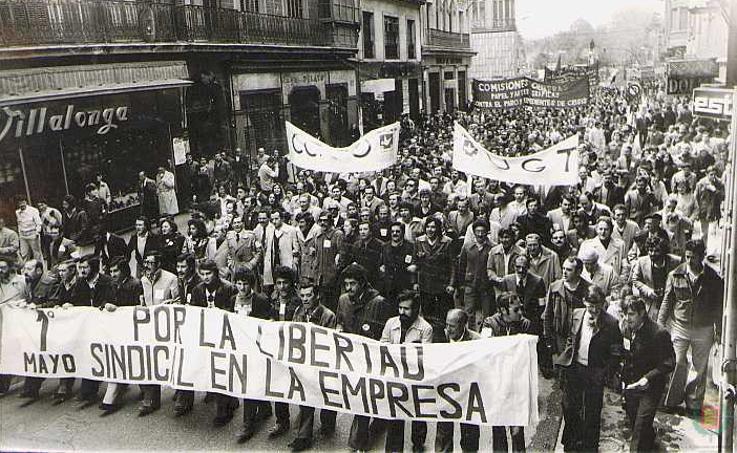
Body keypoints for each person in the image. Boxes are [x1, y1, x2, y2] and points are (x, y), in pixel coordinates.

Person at [658, 239, 724, 415]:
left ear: (702, 257)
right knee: (677, 362)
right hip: (680, 325)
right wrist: (660, 324)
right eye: (687, 257)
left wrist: (719, 331)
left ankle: (694, 404)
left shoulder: (713, 278)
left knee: (700, 367)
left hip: (704, 328)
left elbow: (718, 307)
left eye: (693, 258)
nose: (689, 261)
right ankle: (672, 401)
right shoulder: (675, 275)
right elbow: (667, 300)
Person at [556, 286, 623, 452]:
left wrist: (605, 372)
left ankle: (589, 448)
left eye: (597, 306)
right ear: (584, 302)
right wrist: (568, 357)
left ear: (602, 304)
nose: (593, 310)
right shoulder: (577, 314)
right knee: (570, 407)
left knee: (592, 413)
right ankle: (571, 444)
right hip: (575, 369)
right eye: (590, 305)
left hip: (595, 373)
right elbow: (571, 338)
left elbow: (616, 352)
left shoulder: (611, 323)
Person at [336, 263, 392, 452]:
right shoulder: (343, 299)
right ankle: (376, 423)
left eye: (352, 284)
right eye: (346, 284)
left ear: (362, 284)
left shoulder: (378, 302)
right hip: (350, 356)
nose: (349, 288)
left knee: (364, 397)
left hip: (371, 358)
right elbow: (340, 322)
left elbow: (383, 334)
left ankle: (357, 443)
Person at [288, 279, 338, 451]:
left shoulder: (328, 315)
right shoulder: (298, 311)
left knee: (326, 397)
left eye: (309, 295)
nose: (305, 299)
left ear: (317, 295)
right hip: (305, 362)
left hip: (322, 363)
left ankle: (328, 422)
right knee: (306, 398)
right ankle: (303, 437)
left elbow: (329, 343)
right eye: (302, 295)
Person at [621, 297, 676, 452]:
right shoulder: (626, 327)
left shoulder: (659, 333)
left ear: (642, 313)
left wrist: (647, 378)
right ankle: (651, 442)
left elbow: (670, 362)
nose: (627, 318)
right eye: (625, 313)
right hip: (632, 385)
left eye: (631, 314)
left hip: (650, 387)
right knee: (635, 421)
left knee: (639, 428)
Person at [380, 290, 432, 452]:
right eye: (400, 308)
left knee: (417, 413)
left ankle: (418, 443)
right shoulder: (391, 323)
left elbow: (426, 356)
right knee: (395, 415)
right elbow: (383, 343)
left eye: (406, 309)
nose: (402, 312)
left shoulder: (425, 328)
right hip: (395, 376)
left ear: (416, 309)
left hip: (414, 377)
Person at [190, 259, 240, 425]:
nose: (205, 277)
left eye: (208, 274)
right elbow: (194, 310)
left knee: (223, 368)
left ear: (215, 273)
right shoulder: (197, 290)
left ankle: (224, 409)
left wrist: (221, 312)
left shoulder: (228, 288)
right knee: (210, 366)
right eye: (202, 274)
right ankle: (222, 396)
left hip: (225, 335)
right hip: (207, 334)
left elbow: (235, 311)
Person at [480, 294, 531, 452]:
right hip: (497, 385)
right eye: (516, 309)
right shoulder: (490, 323)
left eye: (521, 308)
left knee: (517, 431)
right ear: (503, 310)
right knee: (498, 429)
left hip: (517, 385)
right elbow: (484, 350)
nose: (521, 313)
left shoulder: (525, 325)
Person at [435, 309, 481, 452]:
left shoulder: (476, 341)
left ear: (463, 325)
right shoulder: (440, 336)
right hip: (446, 392)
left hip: (467, 393)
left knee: (469, 436)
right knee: (443, 435)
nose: (448, 329)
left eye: (452, 326)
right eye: (447, 325)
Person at [138, 251, 177, 416]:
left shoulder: (171, 279)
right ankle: (150, 399)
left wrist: (169, 305)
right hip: (150, 326)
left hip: (168, 327)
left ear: (159, 263)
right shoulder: (144, 280)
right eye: (145, 262)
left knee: (172, 361)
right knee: (149, 360)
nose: (147, 265)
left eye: (150, 262)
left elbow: (178, 302)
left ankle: (181, 393)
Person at [411, 216, 456, 342]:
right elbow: (415, 263)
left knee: (443, 315)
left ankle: (443, 340)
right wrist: (414, 282)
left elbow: (453, 265)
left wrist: (451, 284)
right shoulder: (419, 241)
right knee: (427, 315)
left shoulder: (447, 242)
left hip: (442, 285)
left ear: (438, 229)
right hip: (426, 285)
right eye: (428, 227)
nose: (430, 230)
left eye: (433, 227)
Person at [543, 257, 591, 358]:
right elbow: (548, 316)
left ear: (579, 272)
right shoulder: (554, 288)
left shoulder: (588, 290)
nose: (564, 272)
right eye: (563, 268)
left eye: (569, 270)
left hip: (580, 339)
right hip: (560, 340)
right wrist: (549, 342)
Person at [631, 236, 681, 322]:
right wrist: (649, 291)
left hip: (671, 304)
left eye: (657, 251)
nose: (653, 253)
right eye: (650, 250)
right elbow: (635, 279)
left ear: (663, 251)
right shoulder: (642, 261)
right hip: (650, 304)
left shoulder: (676, 262)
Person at [457, 219, 494, 331]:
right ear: (473, 232)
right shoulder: (467, 247)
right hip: (470, 283)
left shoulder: (492, 247)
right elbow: (461, 266)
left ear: (487, 232)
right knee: (469, 312)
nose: (480, 234)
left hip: (486, 285)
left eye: (483, 231)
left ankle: (486, 334)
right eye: (477, 231)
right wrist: (461, 285)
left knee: (487, 312)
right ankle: (469, 333)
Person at [15, 197, 43, 265]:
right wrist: (20, 235)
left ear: (26, 202)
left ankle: (39, 269)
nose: (21, 204)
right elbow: (19, 224)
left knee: (37, 254)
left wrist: (37, 233)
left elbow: (39, 223)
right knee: (24, 254)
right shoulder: (17, 212)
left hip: (33, 235)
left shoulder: (33, 210)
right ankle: (25, 270)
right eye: (19, 203)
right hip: (23, 236)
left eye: (23, 202)